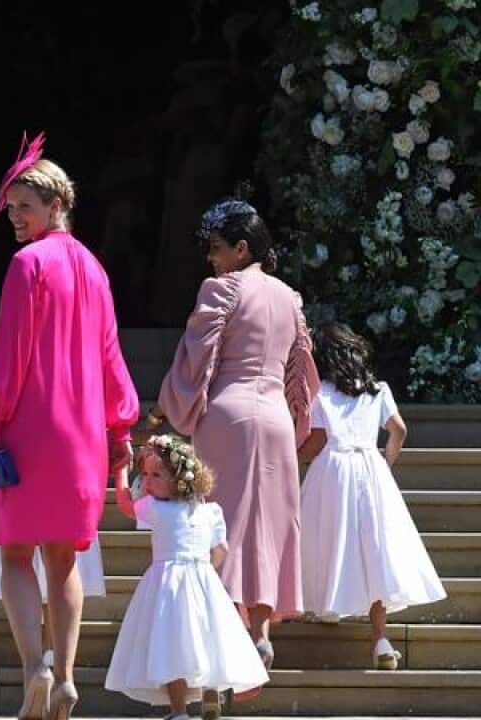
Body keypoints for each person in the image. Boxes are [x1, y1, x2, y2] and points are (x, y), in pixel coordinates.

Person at [0, 132, 139, 720]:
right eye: (12, 208)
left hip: (29, 428)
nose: (15, 218)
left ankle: (35, 668)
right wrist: (120, 433)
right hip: (83, 435)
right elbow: (112, 358)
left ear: (54, 206)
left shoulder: (27, 264)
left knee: (16, 555)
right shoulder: (93, 267)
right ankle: (66, 678)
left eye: (24, 207)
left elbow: (10, 355)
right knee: (63, 559)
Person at [149, 199, 319, 669]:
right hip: (276, 420)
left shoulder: (220, 290)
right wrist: (295, 419)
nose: (211, 258)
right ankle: (261, 633)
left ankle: (222, 632)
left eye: (218, 249)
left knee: (223, 523)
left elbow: (195, 360)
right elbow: (302, 373)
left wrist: (166, 408)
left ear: (242, 249)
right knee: (272, 523)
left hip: (230, 413)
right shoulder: (289, 297)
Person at [299, 322, 446, 669]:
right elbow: (399, 429)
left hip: (332, 470)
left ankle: (330, 605)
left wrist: (294, 453)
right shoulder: (378, 390)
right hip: (369, 468)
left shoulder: (321, 394)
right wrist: (385, 460)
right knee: (374, 548)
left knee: (331, 539)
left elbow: (316, 443)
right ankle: (380, 638)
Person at [106, 435, 267, 720]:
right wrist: (204, 570)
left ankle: (179, 710)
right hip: (203, 581)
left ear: (179, 479)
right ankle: (209, 691)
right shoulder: (209, 511)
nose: (147, 481)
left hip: (167, 584)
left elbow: (124, 504)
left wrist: (120, 473)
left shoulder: (154, 508)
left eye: (156, 475)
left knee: (171, 646)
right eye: (144, 474)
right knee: (206, 639)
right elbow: (220, 550)